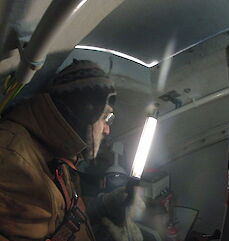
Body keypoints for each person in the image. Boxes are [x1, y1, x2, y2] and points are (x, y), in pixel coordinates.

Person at [0, 59, 132, 240]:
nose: (108, 129)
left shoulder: (58, 152)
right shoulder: (15, 163)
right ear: (83, 112)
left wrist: (105, 206)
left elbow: (62, 219)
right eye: (105, 117)